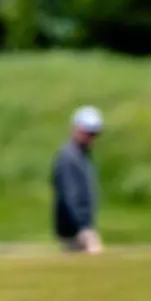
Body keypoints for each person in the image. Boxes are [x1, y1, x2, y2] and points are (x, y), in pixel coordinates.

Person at [51, 105, 104, 254]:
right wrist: (83, 228)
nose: (90, 137)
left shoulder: (81, 155)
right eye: (87, 132)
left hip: (80, 227)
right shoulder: (68, 158)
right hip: (74, 230)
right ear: (75, 128)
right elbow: (70, 195)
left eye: (93, 134)